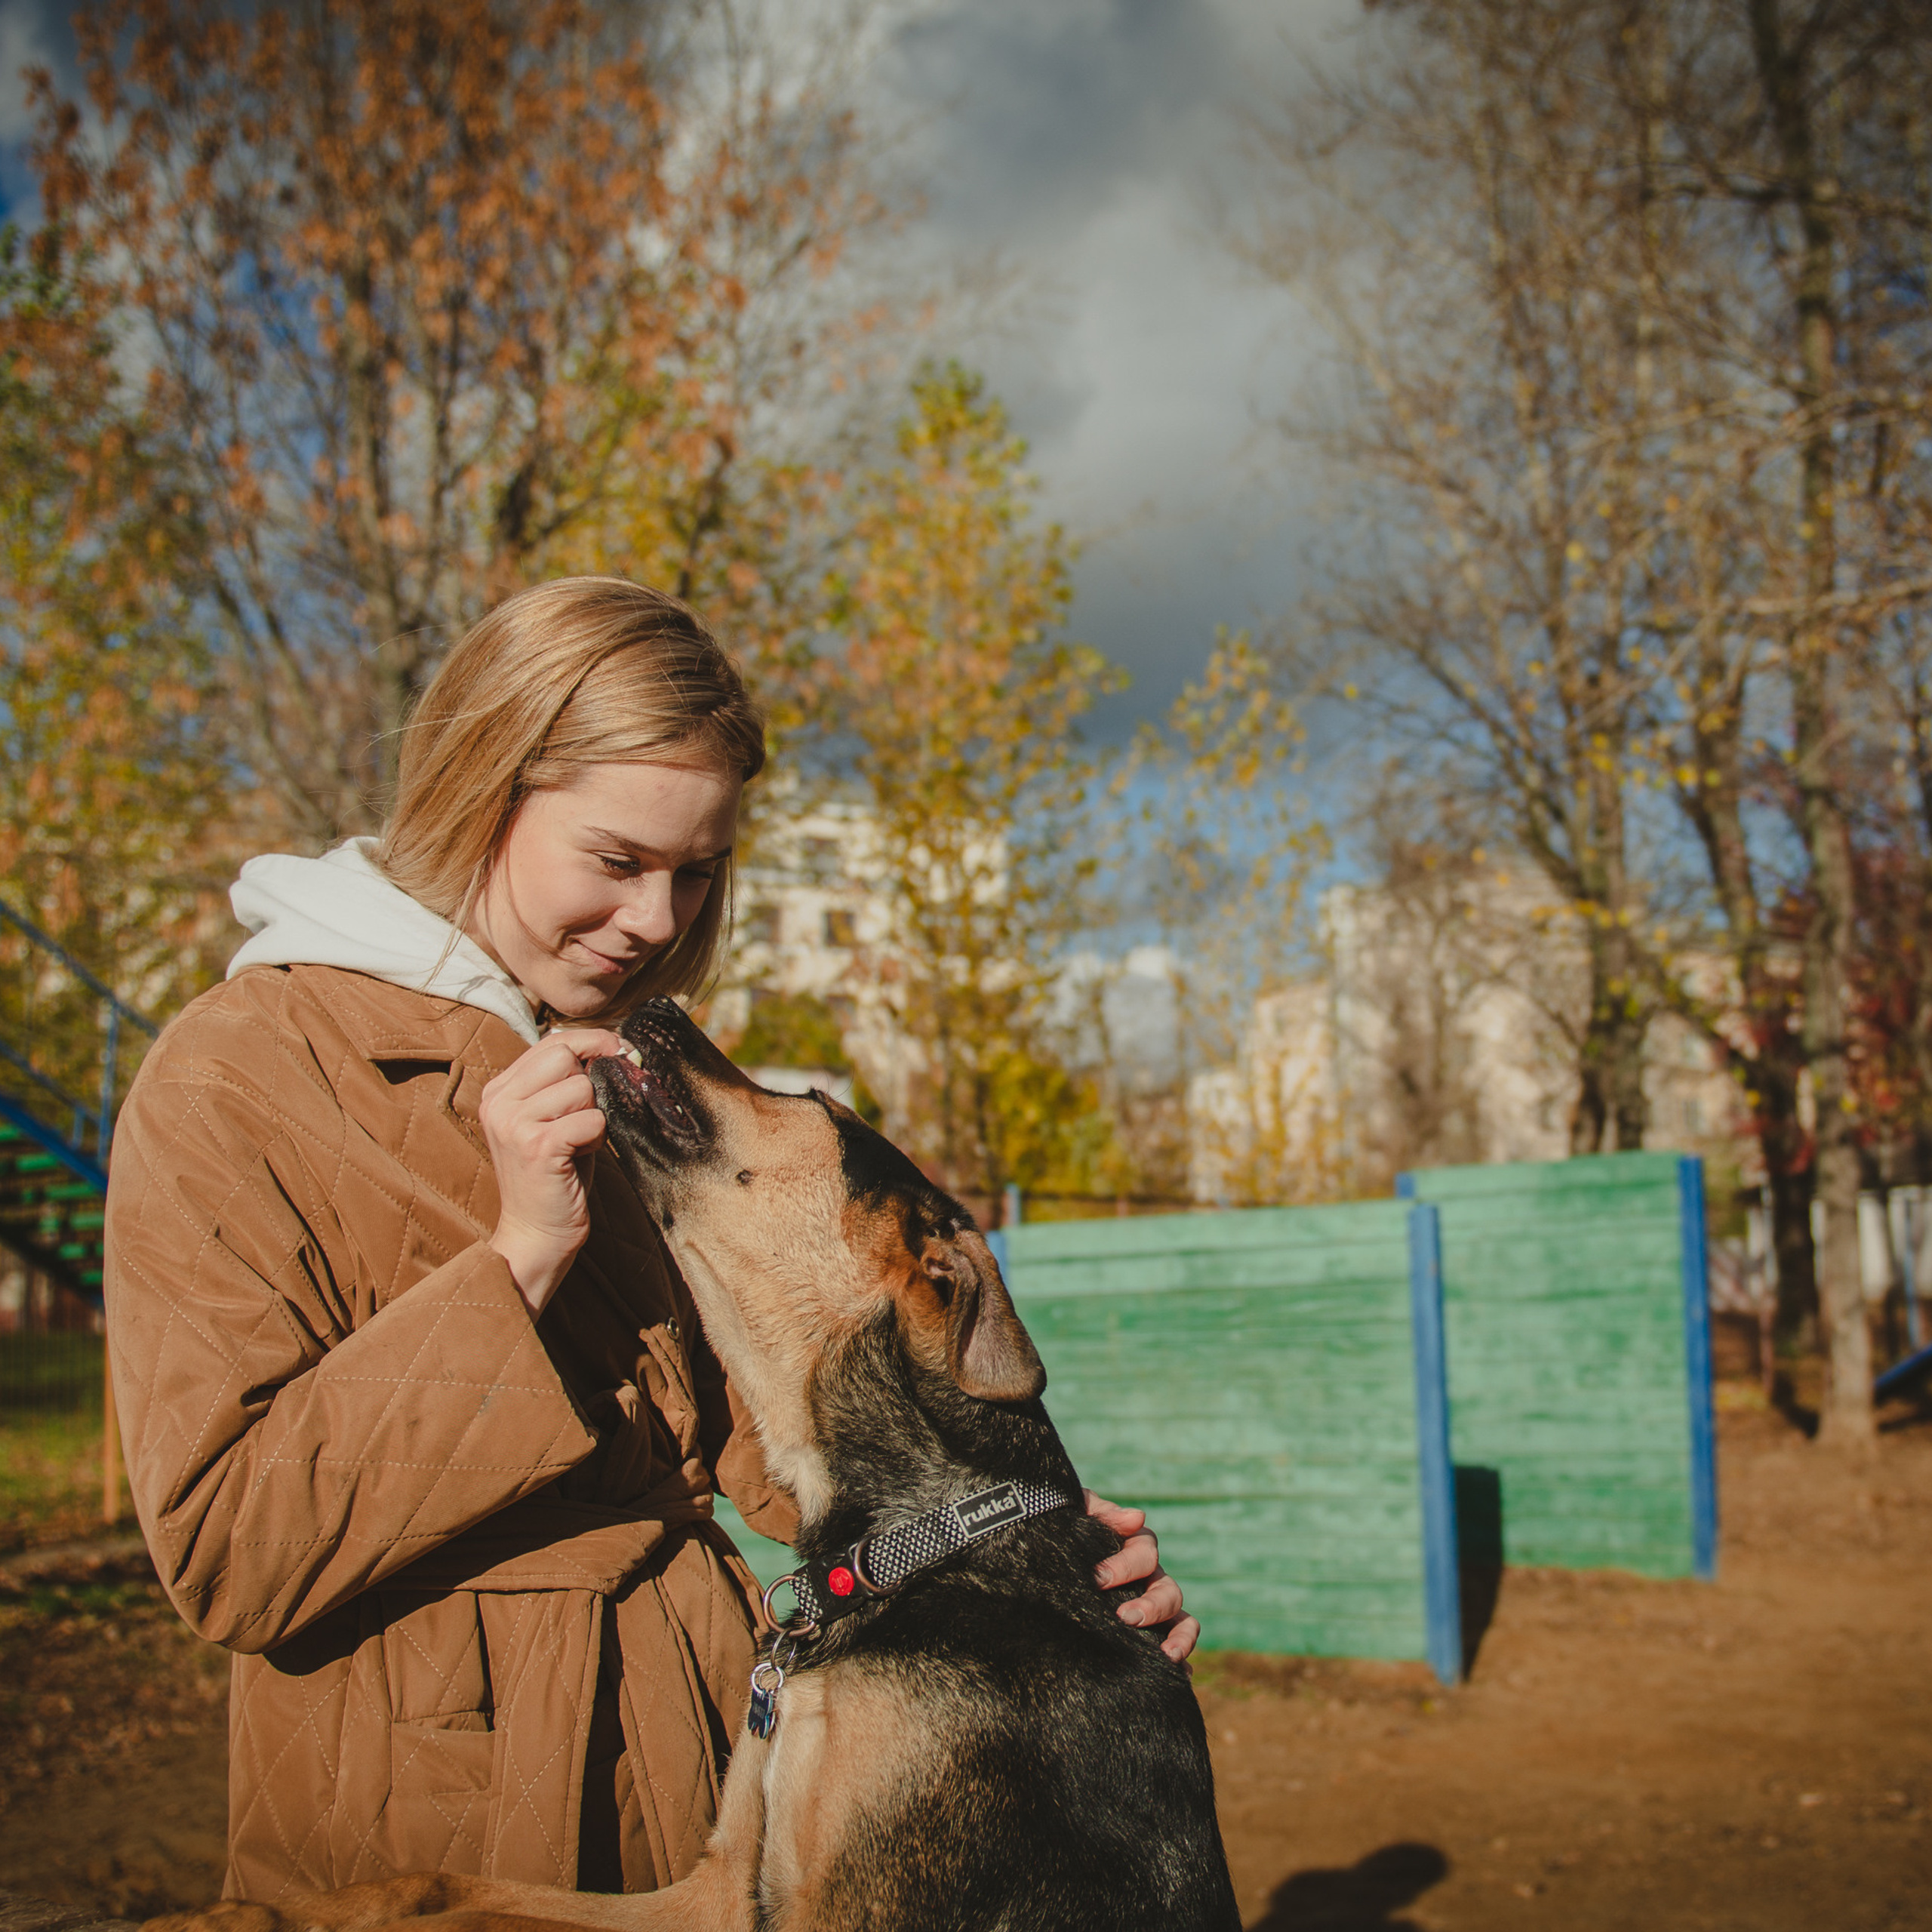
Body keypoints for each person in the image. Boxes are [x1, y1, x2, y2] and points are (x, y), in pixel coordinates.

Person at [103, 577, 1197, 1904]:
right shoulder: (235, 1074)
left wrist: (1020, 1556)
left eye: (699, 872)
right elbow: (228, 1549)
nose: (660, 922)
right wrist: (515, 1263)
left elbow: (778, 1452)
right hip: (433, 1814)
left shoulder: (627, 1083)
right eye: (619, 862)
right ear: (479, 785)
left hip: (720, 1780)